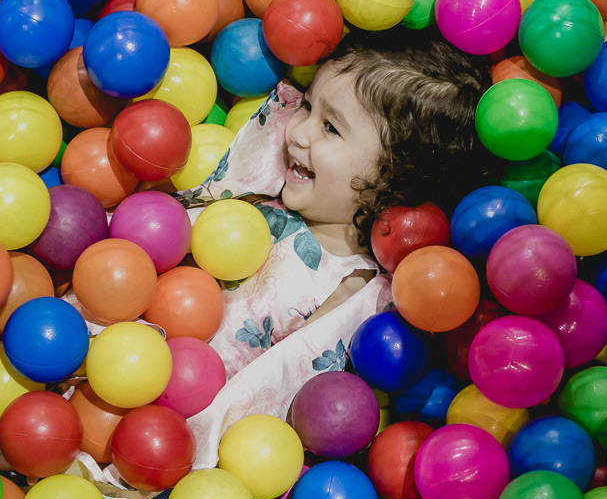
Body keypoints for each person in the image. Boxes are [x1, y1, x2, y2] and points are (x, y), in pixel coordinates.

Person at [176, 25, 498, 471]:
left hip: (186, 433)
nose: (299, 133)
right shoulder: (263, 179)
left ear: (394, 180)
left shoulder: (356, 290)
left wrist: (189, 450)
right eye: (308, 105)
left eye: (330, 127)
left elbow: (283, 380)